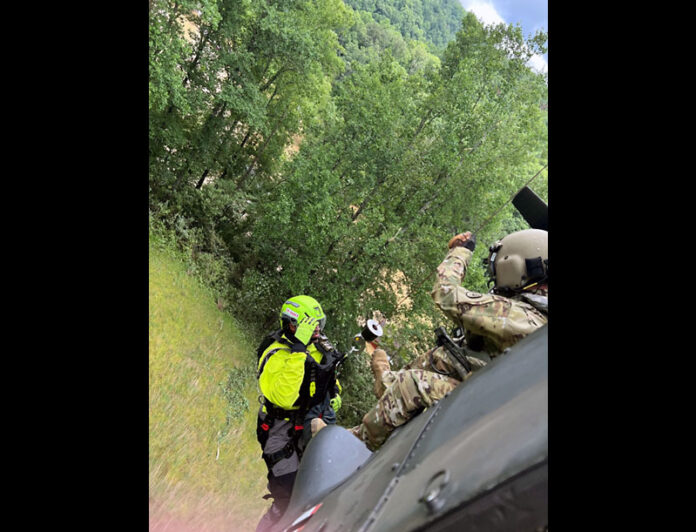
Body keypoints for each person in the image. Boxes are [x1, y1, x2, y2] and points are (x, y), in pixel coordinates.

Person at [348, 229, 548, 451]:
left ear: (512, 268)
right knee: (441, 360)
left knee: (412, 385)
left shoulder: (516, 315)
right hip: (495, 403)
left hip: (484, 408)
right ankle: (386, 381)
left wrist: (461, 251)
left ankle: (353, 445)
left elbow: (447, 294)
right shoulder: (538, 320)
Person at [255, 295, 343, 531]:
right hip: (278, 431)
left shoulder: (319, 349)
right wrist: (298, 352)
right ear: (291, 324)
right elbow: (284, 396)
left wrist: (333, 399)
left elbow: (327, 381)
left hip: (306, 426)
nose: (315, 330)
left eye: (317, 324)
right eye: (308, 324)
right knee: (289, 498)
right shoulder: (274, 353)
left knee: (318, 489)